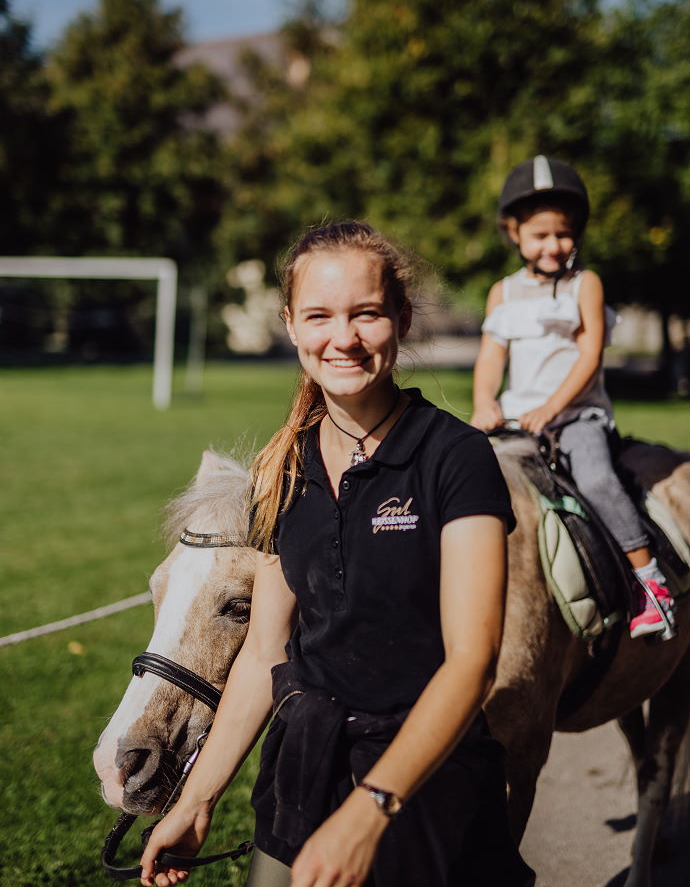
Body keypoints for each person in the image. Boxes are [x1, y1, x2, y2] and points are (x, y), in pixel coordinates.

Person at [140, 221, 534, 887]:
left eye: (367, 314)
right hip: (299, 782)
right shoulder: (282, 468)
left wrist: (371, 807)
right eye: (319, 315)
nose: (343, 337)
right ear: (292, 324)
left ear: (402, 319)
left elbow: (473, 661)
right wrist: (197, 796)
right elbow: (267, 651)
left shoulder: (456, 458)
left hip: (428, 793)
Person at [471, 155, 675, 640]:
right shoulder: (502, 293)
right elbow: (490, 358)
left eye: (562, 234)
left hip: (577, 415)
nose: (553, 245)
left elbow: (588, 359)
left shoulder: (586, 285)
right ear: (514, 233)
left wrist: (555, 407)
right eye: (540, 235)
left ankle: (651, 582)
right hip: (519, 420)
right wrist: (484, 402)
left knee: (598, 479)